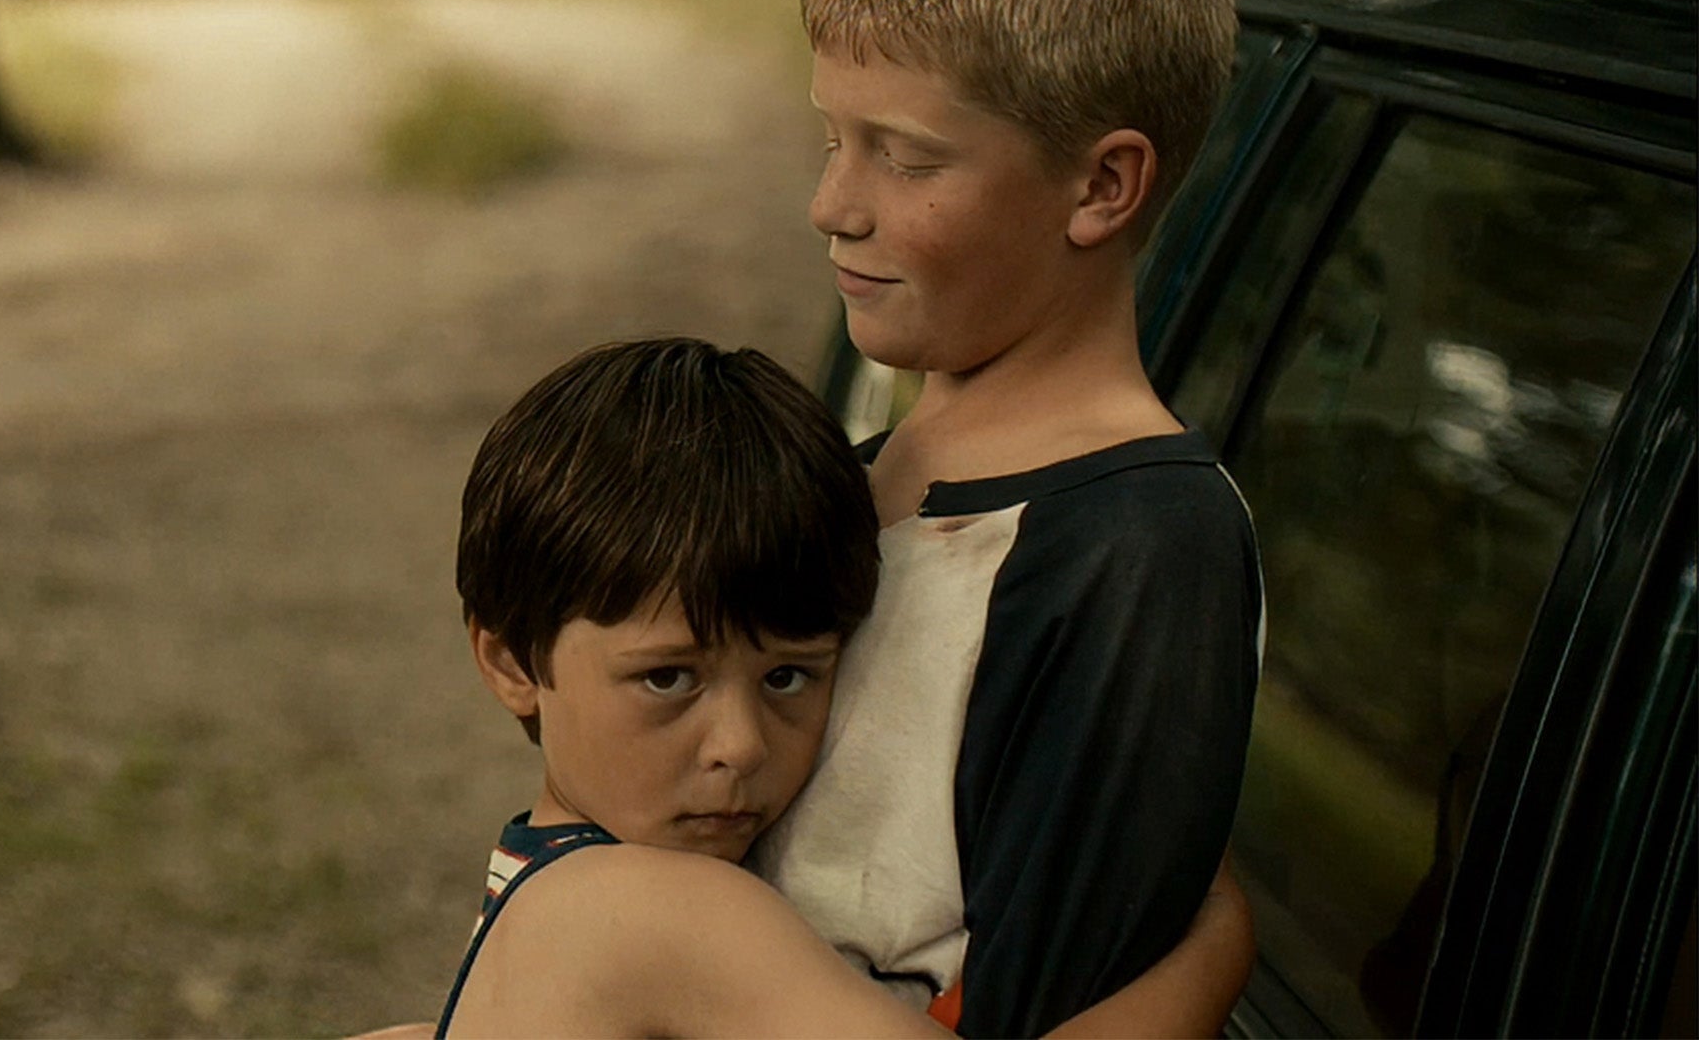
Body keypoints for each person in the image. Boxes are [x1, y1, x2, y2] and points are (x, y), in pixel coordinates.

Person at [419, 338, 1247, 1038]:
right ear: (512, 663)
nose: (742, 744)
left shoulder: (534, 890)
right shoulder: (654, 908)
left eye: (787, 676)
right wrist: (1216, 940)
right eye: (668, 677)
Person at [745, 0, 1264, 1036]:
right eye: (835, 139)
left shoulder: (1141, 549)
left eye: (905, 157)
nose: (830, 205)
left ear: (1102, 186)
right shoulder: (854, 472)